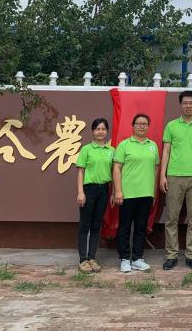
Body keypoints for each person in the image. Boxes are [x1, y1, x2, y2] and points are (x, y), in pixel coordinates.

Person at [160, 90, 192, 270]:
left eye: (191, 103)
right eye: (185, 103)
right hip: (174, 176)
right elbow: (166, 151)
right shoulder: (172, 125)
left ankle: (191, 255)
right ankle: (171, 255)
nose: (188, 106)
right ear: (181, 105)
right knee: (171, 218)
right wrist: (163, 175)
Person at [113, 113, 160, 273]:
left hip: (146, 194)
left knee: (141, 228)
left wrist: (153, 192)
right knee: (125, 228)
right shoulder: (124, 145)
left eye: (145, 124)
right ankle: (124, 259)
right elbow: (117, 168)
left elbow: (156, 169)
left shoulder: (152, 146)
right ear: (133, 126)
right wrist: (118, 191)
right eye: (139, 123)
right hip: (127, 194)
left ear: (148, 126)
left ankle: (137, 258)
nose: (142, 126)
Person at [75, 117, 114, 273]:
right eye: (97, 129)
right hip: (88, 190)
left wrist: (113, 192)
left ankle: (92, 257)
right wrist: (80, 192)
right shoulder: (86, 149)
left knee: (96, 225)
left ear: (107, 131)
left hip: (104, 189)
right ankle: (83, 259)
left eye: (103, 129)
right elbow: (80, 172)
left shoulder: (111, 151)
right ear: (92, 131)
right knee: (85, 225)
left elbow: (114, 173)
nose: (100, 132)